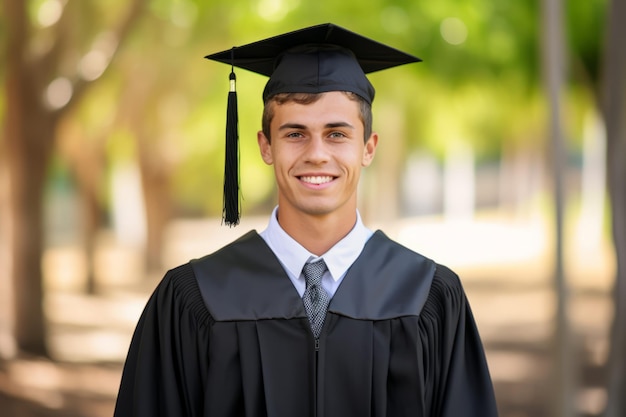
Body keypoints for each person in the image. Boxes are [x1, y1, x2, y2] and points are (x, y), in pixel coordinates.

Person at [113, 23, 499, 417]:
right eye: (295, 134)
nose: (317, 154)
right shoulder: (194, 299)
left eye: (336, 135)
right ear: (266, 146)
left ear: (368, 147)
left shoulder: (428, 296)